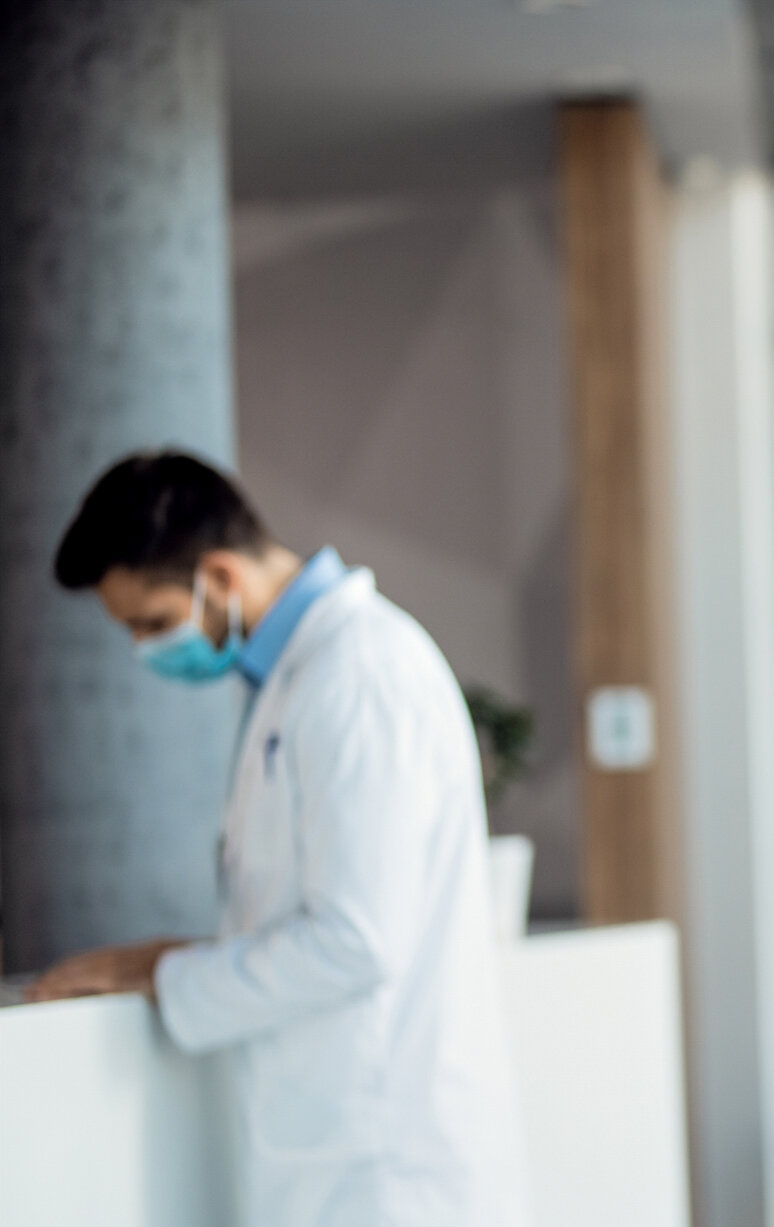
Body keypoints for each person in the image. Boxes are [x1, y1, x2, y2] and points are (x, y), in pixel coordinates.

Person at [29, 452, 526, 1227]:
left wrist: (168, 971)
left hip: (390, 1176)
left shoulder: (358, 672)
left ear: (221, 576)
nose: (145, 651)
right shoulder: (294, 682)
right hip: (339, 1163)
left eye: (153, 623)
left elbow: (358, 939)